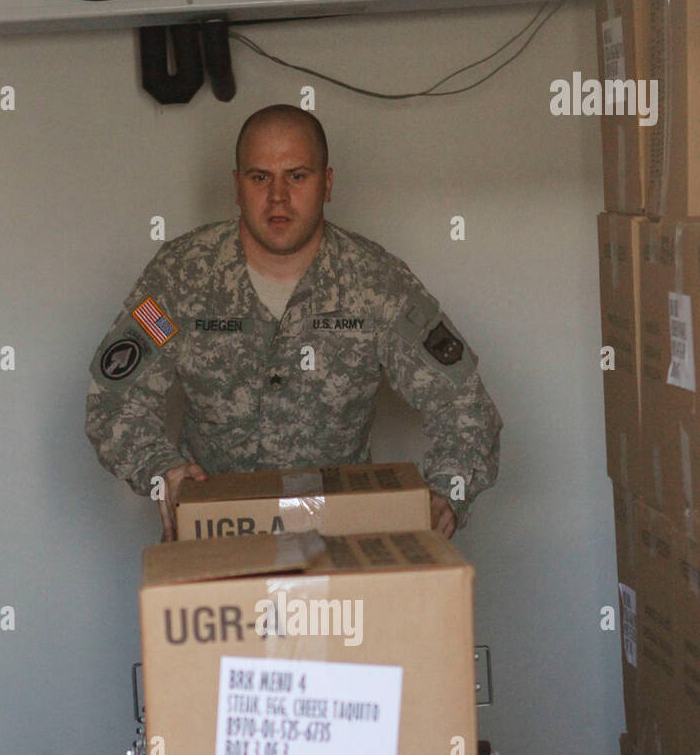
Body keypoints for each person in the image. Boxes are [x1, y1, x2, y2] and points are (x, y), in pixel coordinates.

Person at [85, 103, 501, 541]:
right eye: (259, 177)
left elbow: (465, 406)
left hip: (341, 540)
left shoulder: (376, 282)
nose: (278, 197)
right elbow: (114, 399)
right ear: (236, 186)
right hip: (217, 537)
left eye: (297, 176)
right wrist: (160, 471)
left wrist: (446, 493)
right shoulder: (180, 275)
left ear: (327, 184)